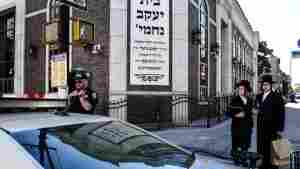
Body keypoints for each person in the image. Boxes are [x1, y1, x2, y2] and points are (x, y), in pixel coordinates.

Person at [256, 74, 285, 169]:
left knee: (272, 150)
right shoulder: (259, 96)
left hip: (272, 128)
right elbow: (256, 109)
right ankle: (262, 166)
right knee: (262, 148)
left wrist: (280, 128)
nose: (265, 86)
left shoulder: (277, 96)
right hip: (261, 128)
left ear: (270, 85)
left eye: (267, 84)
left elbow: (281, 113)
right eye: (263, 84)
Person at [229, 80, 254, 165]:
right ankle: (236, 160)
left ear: (246, 90)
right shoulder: (235, 100)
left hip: (247, 126)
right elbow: (228, 112)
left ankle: (243, 159)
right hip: (237, 126)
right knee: (236, 144)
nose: (240, 90)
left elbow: (251, 111)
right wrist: (236, 115)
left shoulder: (250, 100)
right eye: (239, 89)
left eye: (242, 89)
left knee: (245, 145)